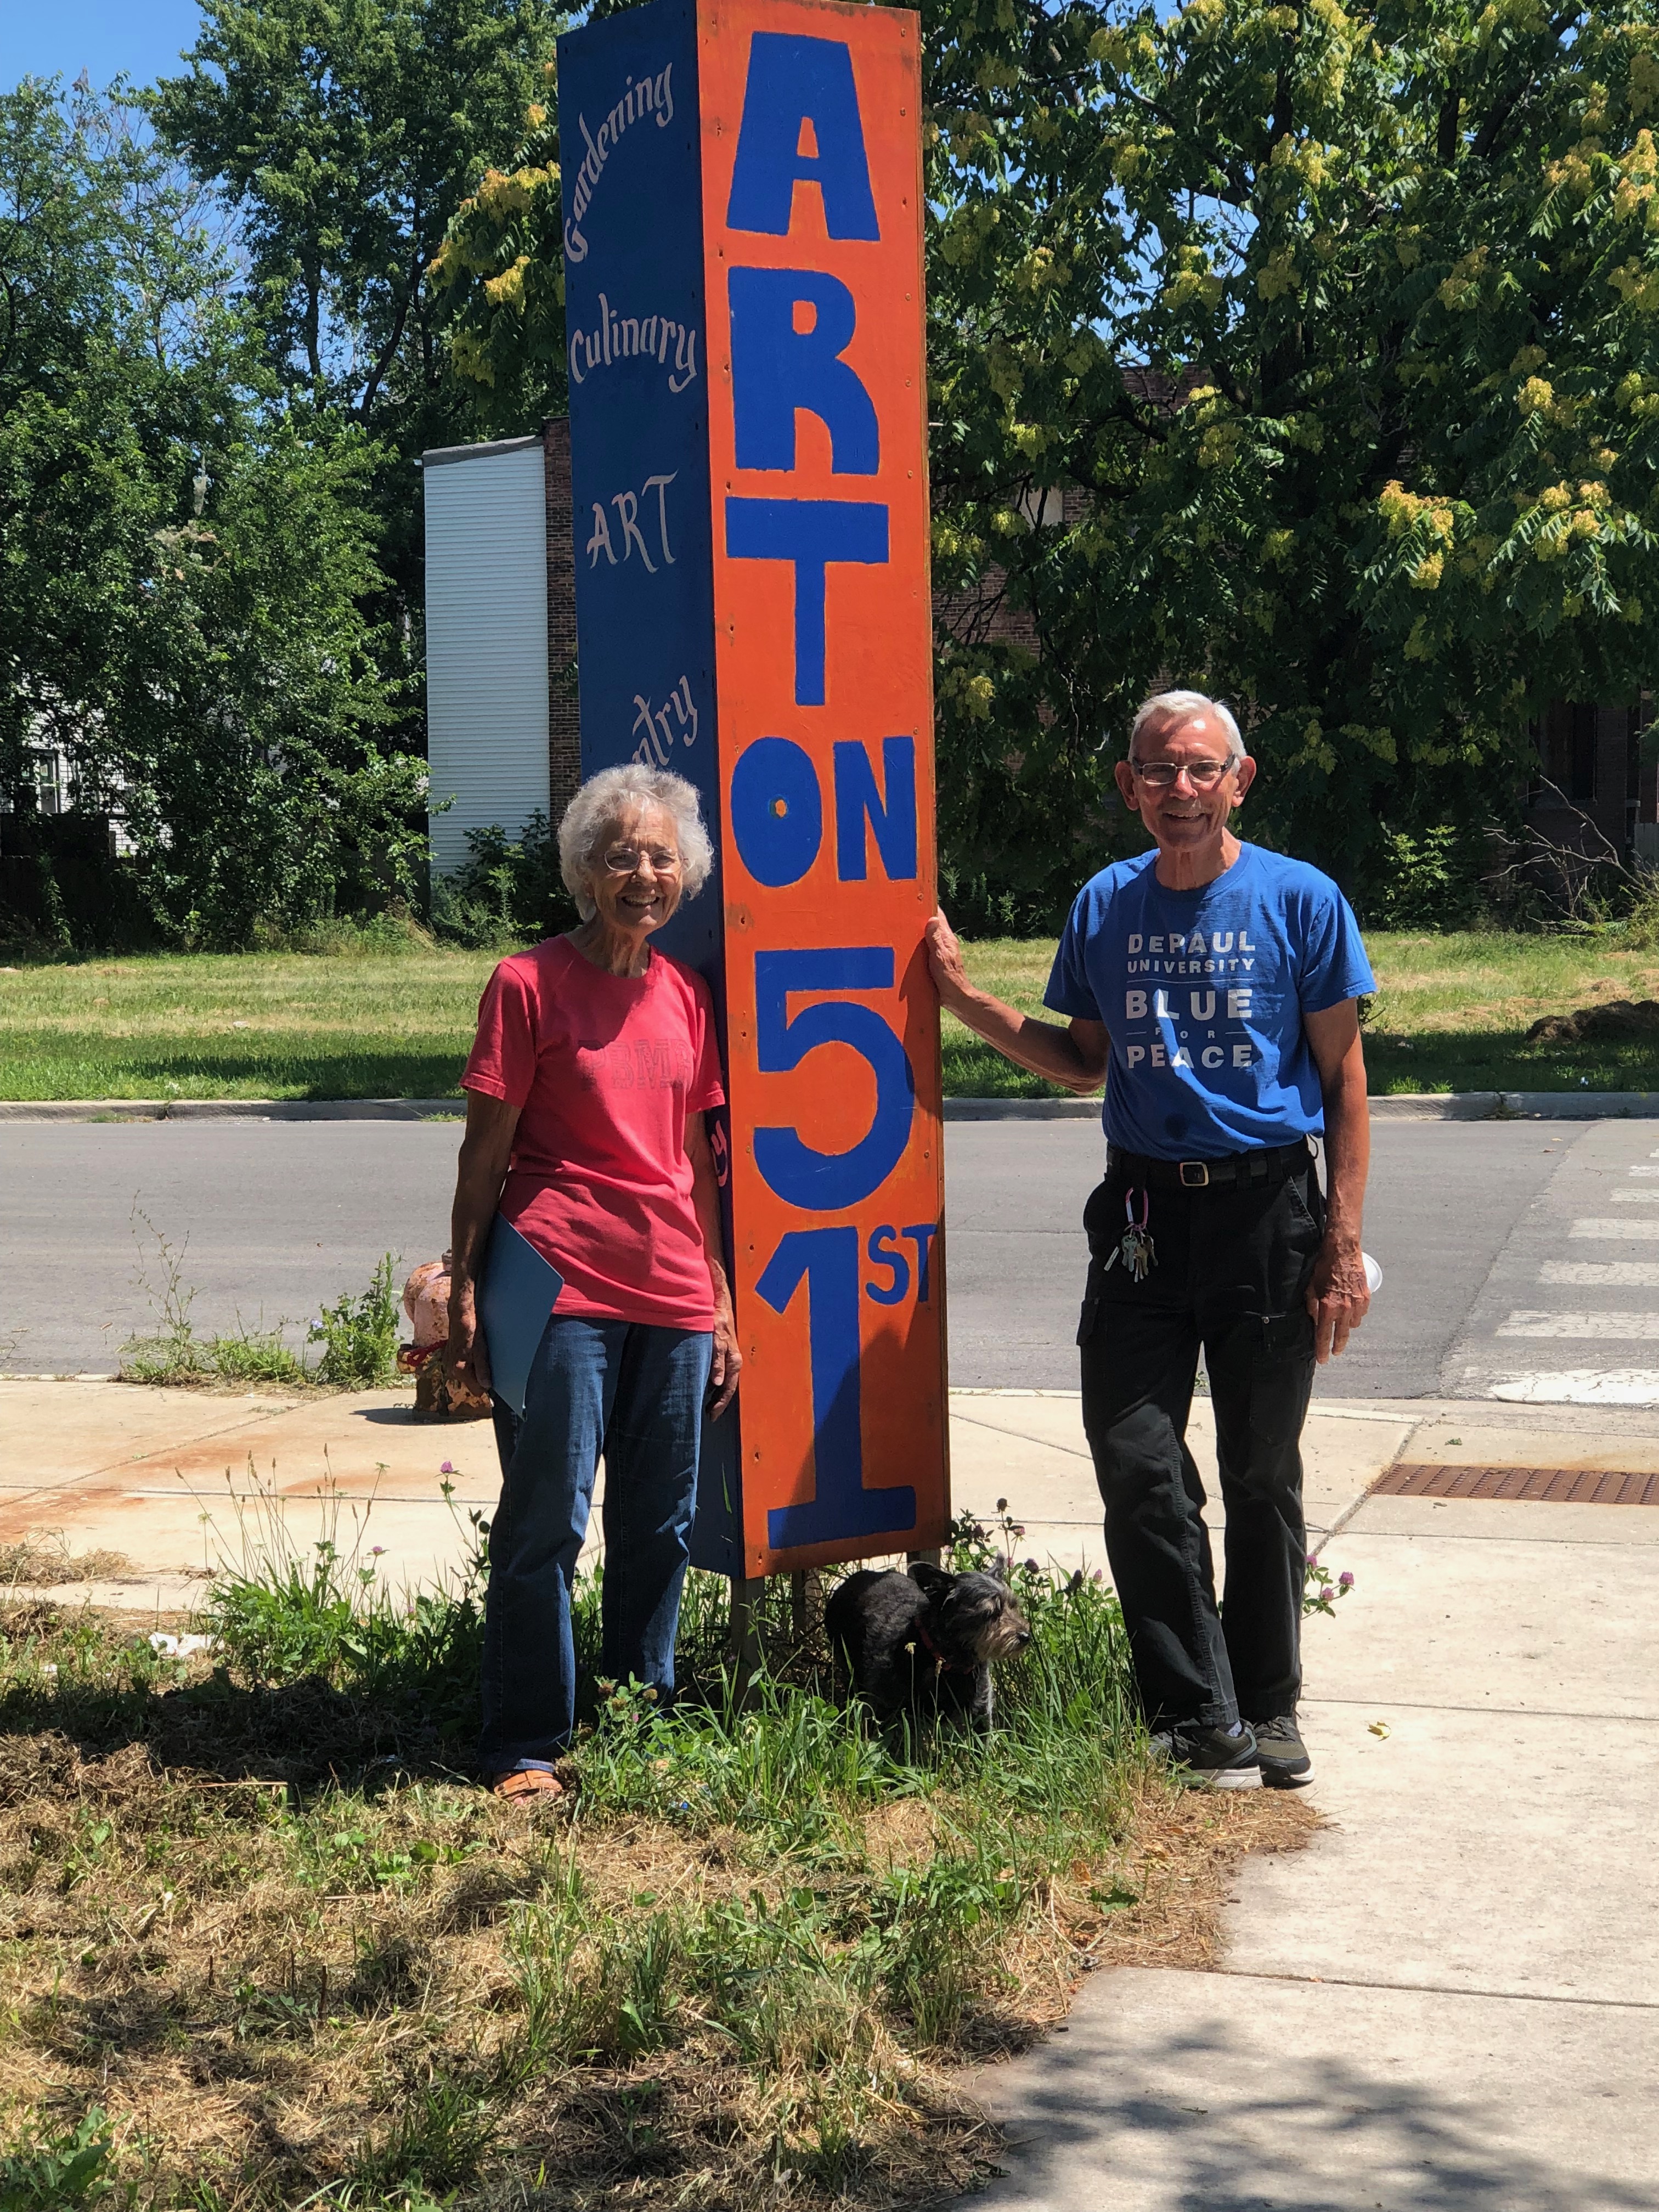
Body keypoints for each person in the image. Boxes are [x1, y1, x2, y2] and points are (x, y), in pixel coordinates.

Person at [927, 690, 1374, 1791]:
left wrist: (1341, 1245)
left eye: (1202, 771)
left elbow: (1346, 1080)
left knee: (1262, 1470)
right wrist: (968, 1001)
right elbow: (1083, 1058)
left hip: (1271, 1213)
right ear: (1128, 785)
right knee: (1137, 1461)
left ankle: (1267, 1708)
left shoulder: (1301, 901)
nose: (1181, 791)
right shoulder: (1104, 906)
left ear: (1240, 779)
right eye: (1159, 772)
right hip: (1139, 1221)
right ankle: (1193, 1713)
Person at [444, 764, 740, 1802]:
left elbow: (699, 1165)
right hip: (558, 1286)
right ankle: (524, 1742)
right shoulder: (524, 985)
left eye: (662, 857)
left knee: (660, 1524)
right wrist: (470, 1283)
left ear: (686, 875)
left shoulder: (688, 996)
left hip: (672, 1294)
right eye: (621, 856)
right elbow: (484, 1156)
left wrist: (722, 1303)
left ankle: (637, 1720)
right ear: (583, 870)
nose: (643, 874)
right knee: (547, 1524)